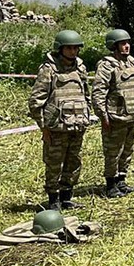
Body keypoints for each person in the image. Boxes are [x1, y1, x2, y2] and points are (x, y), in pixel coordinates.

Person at [28, 30, 91, 211]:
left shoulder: (80, 68)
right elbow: (35, 101)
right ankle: (53, 199)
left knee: (73, 162)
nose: (73, 51)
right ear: (60, 49)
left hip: (77, 126)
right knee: (54, 163)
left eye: (75, 48)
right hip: (56, 128)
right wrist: (43, 127)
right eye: (69, 48)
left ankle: (66, 197)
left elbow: (85, 95)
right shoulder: (49, 69)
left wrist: (85, 116)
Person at [92, 29, 134, 198]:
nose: (127, 46)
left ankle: (121, 180)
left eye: (127, 43)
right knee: (113, 151)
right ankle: (111, 184)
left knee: (127, 150)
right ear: (114, 46)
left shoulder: (131, 62)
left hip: (131, 115)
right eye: (122, 43)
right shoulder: (106, 65)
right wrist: (103, 116)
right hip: (115, 118)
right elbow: (99, 92)